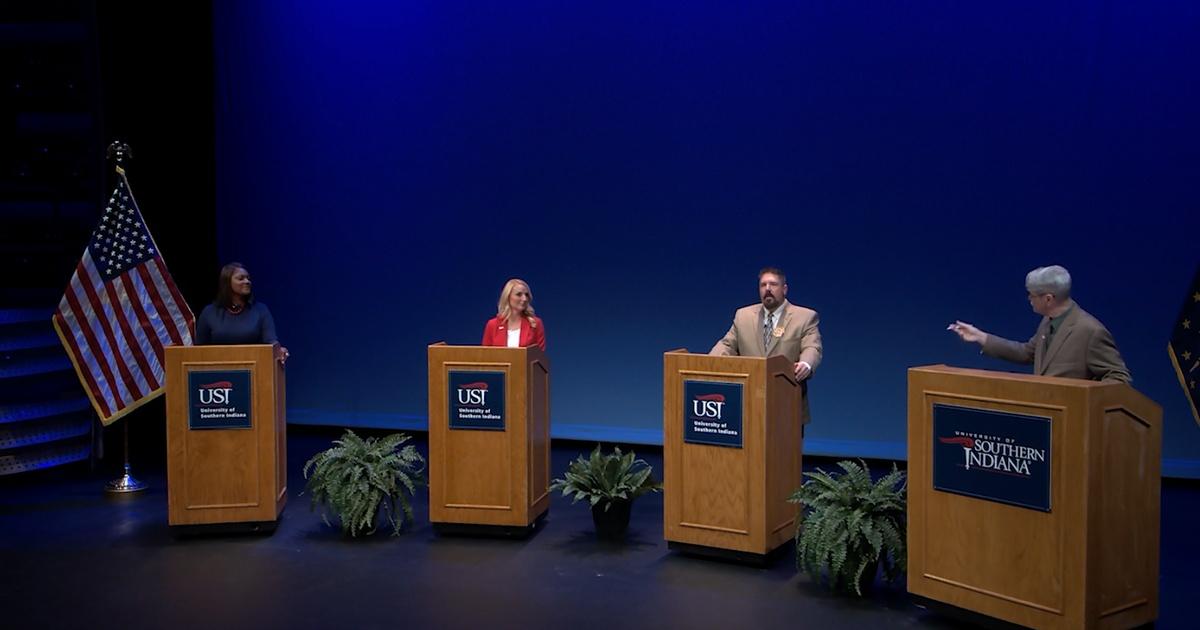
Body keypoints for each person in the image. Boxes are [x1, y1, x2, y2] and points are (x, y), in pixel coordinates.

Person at [947, 265, 1129, 383]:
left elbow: (1119, 378)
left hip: (1075, 419)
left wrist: (1087, 396)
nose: (1029, 299)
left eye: (1032, 295)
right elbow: (1027, 353)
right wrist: (980, 337)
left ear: (1048, 298)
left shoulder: (1091, 331)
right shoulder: (1048, 322)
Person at [710, 267, 822, 424]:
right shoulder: (743, 315)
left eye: (773, 284)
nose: (768, 289)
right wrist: (710, 363)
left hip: (786, 404)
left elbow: (812, 347)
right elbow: (727, 344)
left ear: (784, 289)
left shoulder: (804, 317)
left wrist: (806, 364)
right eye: (763, 285)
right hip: (747, 405)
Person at [194, 262, 289, 364]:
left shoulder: (260, 310)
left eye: (248, 278)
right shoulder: (209, 312)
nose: (247, 281)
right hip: (216, 373)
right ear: (227, 282)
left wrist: (279, 350)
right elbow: (198, 350)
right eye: (241, 278)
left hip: (255, 371)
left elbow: (271, 341)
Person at [481, 278, 546, 350]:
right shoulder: (492, 325)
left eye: (526, 295)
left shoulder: (535, 324)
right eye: (519, 294)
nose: (524, 299)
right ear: (508, 297)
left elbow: (540, 356)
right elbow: (485, 356)